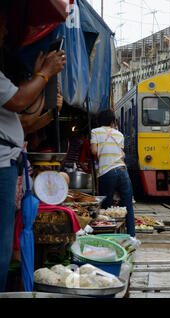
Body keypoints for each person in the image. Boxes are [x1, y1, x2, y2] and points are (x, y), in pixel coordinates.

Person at [0, 3, 66, 292]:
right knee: (1, 242)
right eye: (1, 25)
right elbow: (18, 102)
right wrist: (45, 75)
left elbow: (20, 112)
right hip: (1, 164)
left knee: (4, 240)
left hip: (7, 161)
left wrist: (39, 76)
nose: (5, 32)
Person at [90, 109, 136, 237]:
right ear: (112, 121)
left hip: (107, 172)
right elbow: (121, 155)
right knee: (128, 207)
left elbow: (94, 151)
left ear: (99, 121)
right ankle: (132, 237)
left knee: (105, 208)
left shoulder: (95, 132)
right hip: (122, 171)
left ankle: (107, 237)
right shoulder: (119, 134)